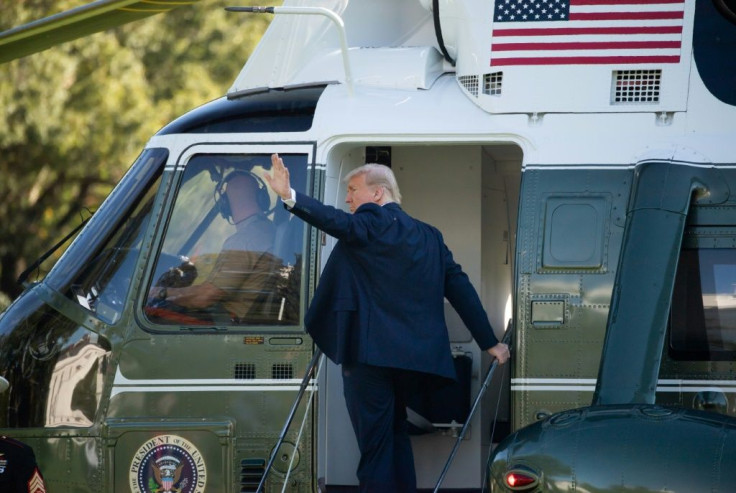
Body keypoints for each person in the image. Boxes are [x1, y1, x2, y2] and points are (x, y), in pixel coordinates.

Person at [265, 154, 510, 492]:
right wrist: (490, 342)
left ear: (378, 195)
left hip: (370, 361)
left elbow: (338, 222)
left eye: (353, 190)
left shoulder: (369, 223)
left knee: (376, 449)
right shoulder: (430, 237)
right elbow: (460, 289)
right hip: (411, 364)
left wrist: (289, 195)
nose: (348, 198)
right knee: (395, 437)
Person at [148, 171, 278, 323]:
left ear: (225, 205)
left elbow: (205, 297)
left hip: (227, 324)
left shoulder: (244, 241)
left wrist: (160, 292)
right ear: (262, 199)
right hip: (241, 318)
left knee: (149, 314)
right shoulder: (268, 230)